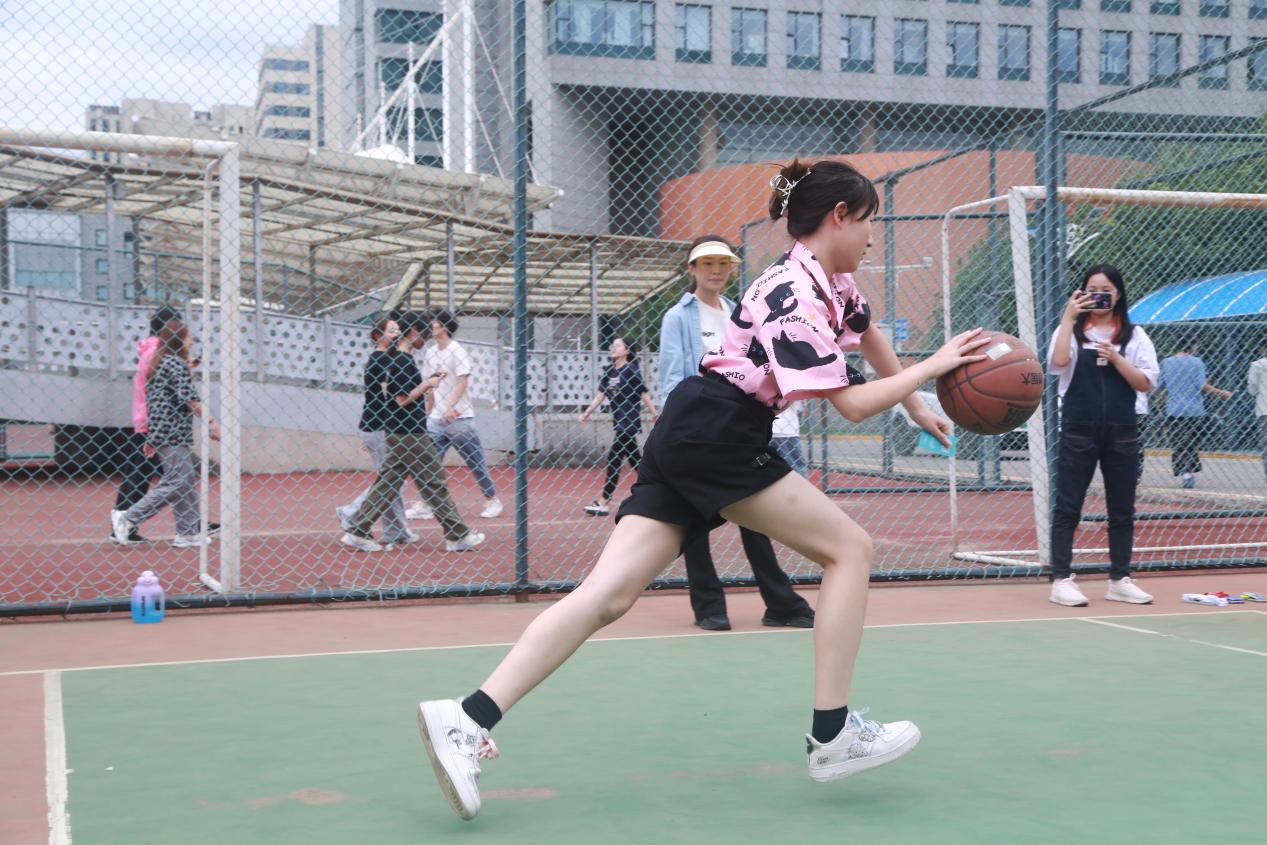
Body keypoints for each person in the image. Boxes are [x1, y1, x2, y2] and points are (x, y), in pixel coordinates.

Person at [416, 157, 990, 821]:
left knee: (607, 595)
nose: (871, 236)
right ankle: (832, 735)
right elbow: (852, 404)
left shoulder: (830, 281)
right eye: (867, 222)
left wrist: (916, 403)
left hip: (695, 427)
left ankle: (466, 717)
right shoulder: (792, 293)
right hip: (720, 431)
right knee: (849, 549)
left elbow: (867, 332)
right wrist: (934, 366)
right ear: (838, 216)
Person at [660, 234, 815, 631]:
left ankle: (781, 604)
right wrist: (686, 426)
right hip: (698, 430)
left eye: (723, 264)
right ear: (692, 269)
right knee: (695, 519)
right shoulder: (677, 316)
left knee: (755, 516)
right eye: (707, 263)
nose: (716, 271)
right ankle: (709, 606)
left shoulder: (738, 312)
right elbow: (672, 380)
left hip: (739, 430)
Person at [1046, 266, 1160, 607]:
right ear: (1081, 294)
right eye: (1092, 289)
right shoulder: (1071, 330)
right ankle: (1061, 580)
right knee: (1068, 505)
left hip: (1122, 429)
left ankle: (1120, 579)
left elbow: (1146, 383)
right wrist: (1068, 317)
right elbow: (1058, 363)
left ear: (1118, 294)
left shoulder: (1134, 335)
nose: (1099, 295)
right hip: (1079, 427)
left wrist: (1117, 359)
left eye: (1106, 290)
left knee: (1122, 508)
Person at [340, 311, 485, 553]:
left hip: (400, 431)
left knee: (387, 484)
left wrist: (427, 381)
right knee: (433, 483)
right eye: (424, 334)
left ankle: (357, 529)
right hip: (410, 433)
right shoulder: (402, 361)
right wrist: (428, 384)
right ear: (414, 332)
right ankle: (457, 534)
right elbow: (402, 399)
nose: (426, 339)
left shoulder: (398, 359)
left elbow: (401, 393)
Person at [111, 319, 220, 548]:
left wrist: (153, 438)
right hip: (172, 431)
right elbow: (190, 398)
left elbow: (162, 399)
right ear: (179, 339)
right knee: (177, 481)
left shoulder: (162, 362)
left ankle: (188, 532)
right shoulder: (174, 364)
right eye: (188, 337)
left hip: (163, 430)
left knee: (184, 481)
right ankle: (129, 517)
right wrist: (211, 421)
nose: (191, 341)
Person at [408, 310, 503, 520]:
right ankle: (427, 503)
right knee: (428, 463)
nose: (428, 327)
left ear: (444, 326)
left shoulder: (457, 351)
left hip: (460, 418)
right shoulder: (430, 352)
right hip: (436, 419)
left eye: (433, 323)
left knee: (475, 462)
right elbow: (430, 386)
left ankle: (491, 499)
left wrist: (450, 406)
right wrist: (428, 412)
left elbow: (463, 380)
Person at [336, 317, 419, 546]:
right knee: (392, 480)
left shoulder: (382, 359)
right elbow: (388, 397)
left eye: (398, 330)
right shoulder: (382, 360)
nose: (396, 334)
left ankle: (396, 531)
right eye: (391, 331)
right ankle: (352, 512)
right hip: (380, 426)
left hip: (376, 426)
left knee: (392, 479)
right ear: (377, 335)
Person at [108, 305, 182, 543]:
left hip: (151, 420)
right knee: (154, 474)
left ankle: (123, 523)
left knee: (148, 472)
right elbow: (162, 384)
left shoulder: (154, 350)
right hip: (155, 421)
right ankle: (124, 521)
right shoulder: (156, 352)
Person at [579, 336, 657, 516]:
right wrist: (587, 412)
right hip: (619, 420)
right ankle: (658, 489)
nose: (613, 348)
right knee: (636, 461)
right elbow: (601, 395)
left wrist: (654, 413)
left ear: (626, 351)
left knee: (614, 458)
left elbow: (643, 393)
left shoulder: (631, 370)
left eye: (618, 345)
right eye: (612, 345)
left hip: (628, 421)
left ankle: (604, 501)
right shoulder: (610, 371)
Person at [1158, 337, 1232, 489]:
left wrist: (1166, 395)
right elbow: (1202, 385)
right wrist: (1221, 392)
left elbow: (1162, 385)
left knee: (1178, 442)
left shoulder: (1166, 362)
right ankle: (1188, 472)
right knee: (1191, 442)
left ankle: (1186, 473)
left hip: (1174, 409)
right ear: (1192, 346)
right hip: (1194, 410)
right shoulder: (1197, 362)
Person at [771, 401, 808, 477]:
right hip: (786, 431)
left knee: (766, 464)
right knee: (796, 466)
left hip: (766, 430)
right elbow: (801, 407)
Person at [1248, 342, 1267, 481]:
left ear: (1262, 349)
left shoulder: (1257, 365)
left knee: (1265, 443)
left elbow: (1252, 389)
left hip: (1264, 408)